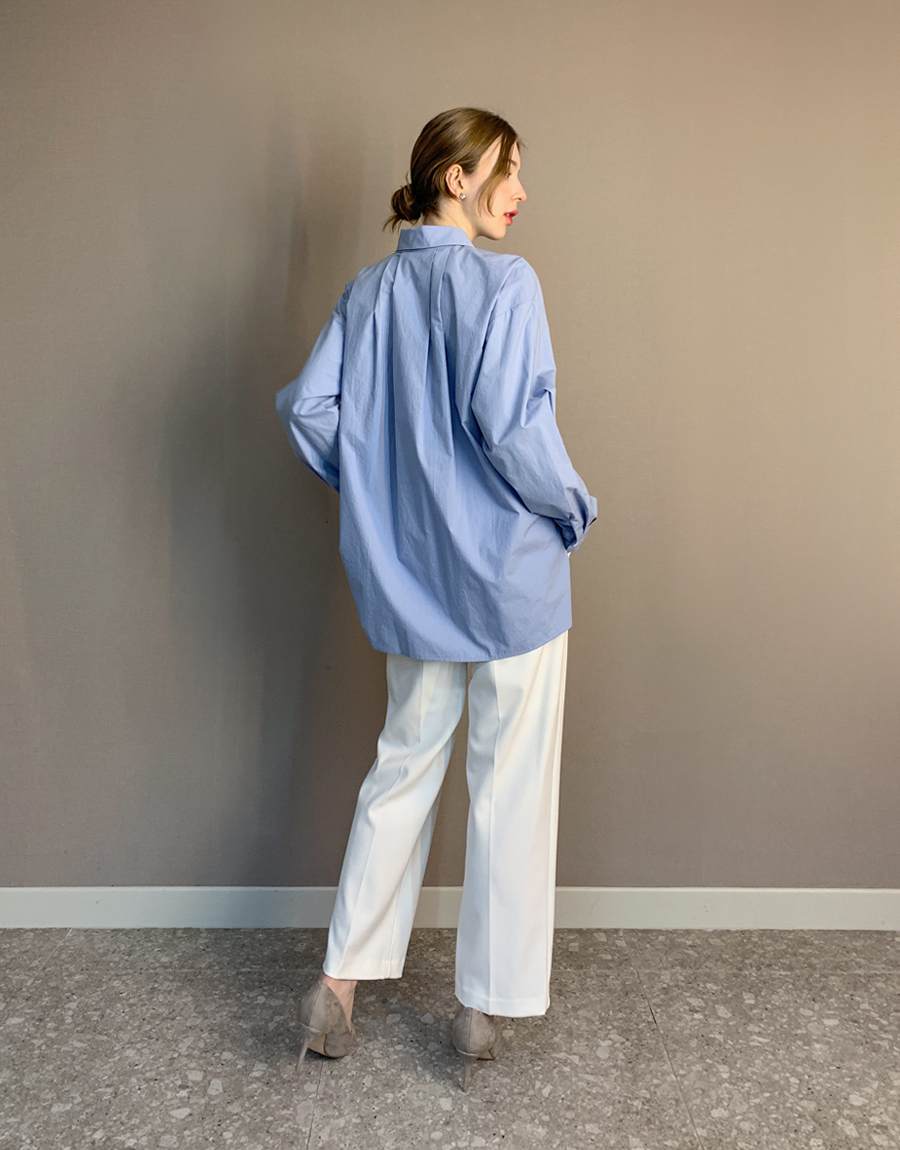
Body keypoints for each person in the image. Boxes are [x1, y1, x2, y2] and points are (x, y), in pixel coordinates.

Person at [275, 107, 597, 1091]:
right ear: (456, 176)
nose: (520, 192)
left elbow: (308, 408)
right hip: (510, 584)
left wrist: (382, 494)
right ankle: (478, 1008)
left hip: (411, 585)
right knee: (509, 788)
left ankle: (338, 984)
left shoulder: (366, 292)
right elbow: (513, 428)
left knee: (401, 770)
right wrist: (573, 506)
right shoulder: (506, 282)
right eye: (509, 169)